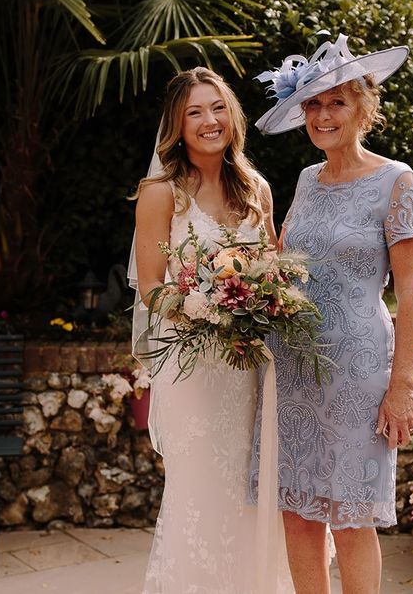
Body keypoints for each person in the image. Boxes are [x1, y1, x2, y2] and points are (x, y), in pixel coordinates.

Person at [250, 34, 413, 594]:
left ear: (363, 109)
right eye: (313, 104)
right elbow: (282, 263)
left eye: (337, 102)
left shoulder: (396, 180)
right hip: (293, 369)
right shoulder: (304, 180)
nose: (323, 115)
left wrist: (402, 386)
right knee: (298, 511)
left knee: (351, 517)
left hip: (357, 370)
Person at [129, 67, 290, 593]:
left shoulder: (256, 189)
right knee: (199, 491)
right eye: (195, 112)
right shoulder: (160, 193)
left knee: (251, 490)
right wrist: (202, 308)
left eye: (217, 107)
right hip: (192, 370)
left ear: (232, 117)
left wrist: (260, 301)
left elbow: (273, 272)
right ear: (177, 126)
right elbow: (151, 285)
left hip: (248, 366)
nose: (209, 120)